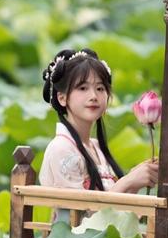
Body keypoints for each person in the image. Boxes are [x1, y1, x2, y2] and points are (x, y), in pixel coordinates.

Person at [39, 48, 159, 198]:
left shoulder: (95, 147)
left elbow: (112, 209)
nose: (94, 96)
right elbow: (82, 213)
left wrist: (135, 180)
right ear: (62, 98)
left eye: (100, 88)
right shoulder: (61, 149)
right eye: (83, 88)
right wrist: (127, 181)